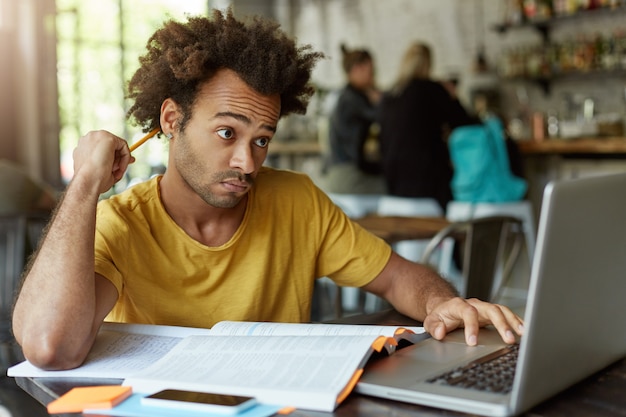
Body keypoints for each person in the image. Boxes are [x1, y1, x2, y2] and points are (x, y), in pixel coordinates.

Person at [12, 10, 523, 371]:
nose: (246, 162)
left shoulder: (295, 200)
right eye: (227, 133)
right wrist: (83, 185)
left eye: (262, 140)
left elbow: (397, 279)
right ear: (171, 119)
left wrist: (442, 303)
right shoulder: (121, 224)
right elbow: (50, 347)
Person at [378, 42, 479, 212]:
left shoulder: (388, 96)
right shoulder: (432, 90)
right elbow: (465, 124)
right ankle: (458, 236)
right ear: (428, 64)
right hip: (428, 185)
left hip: (394, 187)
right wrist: (453, 97)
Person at [320, 45, 385, 194]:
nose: (373, 76)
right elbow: (382, 117)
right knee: (396, 187)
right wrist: (382, 102)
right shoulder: (352, 100)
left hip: (337, 171)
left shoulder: (346, 97)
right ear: (357, 69)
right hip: (347, 175)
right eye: (371, 71)